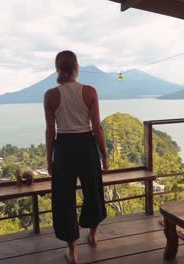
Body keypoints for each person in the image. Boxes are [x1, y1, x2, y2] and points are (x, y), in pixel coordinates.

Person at [44, 50, 109, 264]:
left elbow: (50, 131)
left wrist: (49, 159)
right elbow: (97, 127)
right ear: (77, 67)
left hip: (64, 148)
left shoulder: (50, 95)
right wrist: (105, 155)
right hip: (86, 146)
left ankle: (73, 251)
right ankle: (93, 233)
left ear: (57, 69)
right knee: (93, 190)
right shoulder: (90, 91)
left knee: (64, 199)